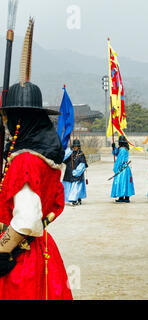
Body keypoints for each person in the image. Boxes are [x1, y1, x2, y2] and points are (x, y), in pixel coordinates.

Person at [0, 81, 72, 299]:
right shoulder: (43, 161)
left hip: (20, 258)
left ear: (18, 121)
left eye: (8, 119)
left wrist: (2, 249)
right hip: (40, 250)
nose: (7, 125)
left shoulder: (25, 162)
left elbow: (27, 219)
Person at [62, 139, 88, 206]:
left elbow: (83, 164)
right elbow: (63, 158)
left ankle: (74, 199)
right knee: (68, 186)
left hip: (77, 174)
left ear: (79, 147)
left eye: (76, 146)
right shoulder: (69, 153)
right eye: (74, 146)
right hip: (69, 173)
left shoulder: (81, 154)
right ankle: (73, 198)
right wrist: (69, 150)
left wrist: (77, 172)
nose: (75, 147)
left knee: (76, 186)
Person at [111, 135, 135, 203]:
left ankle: (121, 197)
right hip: (126, 168)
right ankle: (126, 197)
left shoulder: (122, 149)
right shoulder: (124, 148)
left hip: (122, 168)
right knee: (126, 182)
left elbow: (119, 160)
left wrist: (115, 168)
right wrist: (114, 148)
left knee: (121, 182)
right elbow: (116, 153)